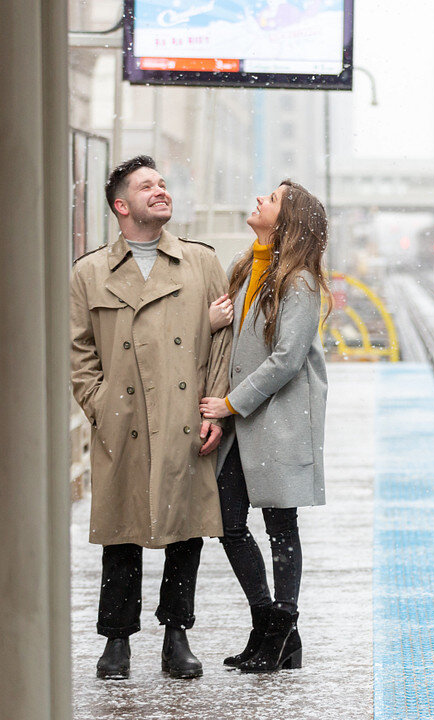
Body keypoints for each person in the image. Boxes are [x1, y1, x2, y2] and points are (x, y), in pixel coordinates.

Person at [70, 155, 233, 680]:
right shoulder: (89, 272)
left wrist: (215, 410)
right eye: (147, 186)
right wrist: (103, 407)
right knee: (121, 533)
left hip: (184, 416)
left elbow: (221, 344)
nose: (160, 191)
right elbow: (79, 355)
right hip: (124, 419)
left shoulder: (201, 262)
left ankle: (176, 636)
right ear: (122, 206)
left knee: (185, 532)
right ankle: (116, 641)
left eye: (163, 184)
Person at [199, 179, 329, 674]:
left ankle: (278, 633)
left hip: (275, 420)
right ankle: (271, 628)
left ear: (288, 221)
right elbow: (236, 341)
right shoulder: (245, 268)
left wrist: (230, 404)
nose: (259, 199)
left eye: (271, 199)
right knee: (229, 524)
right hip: (241, 421)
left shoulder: (299, 282)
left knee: (280, 526)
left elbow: (288, 359)